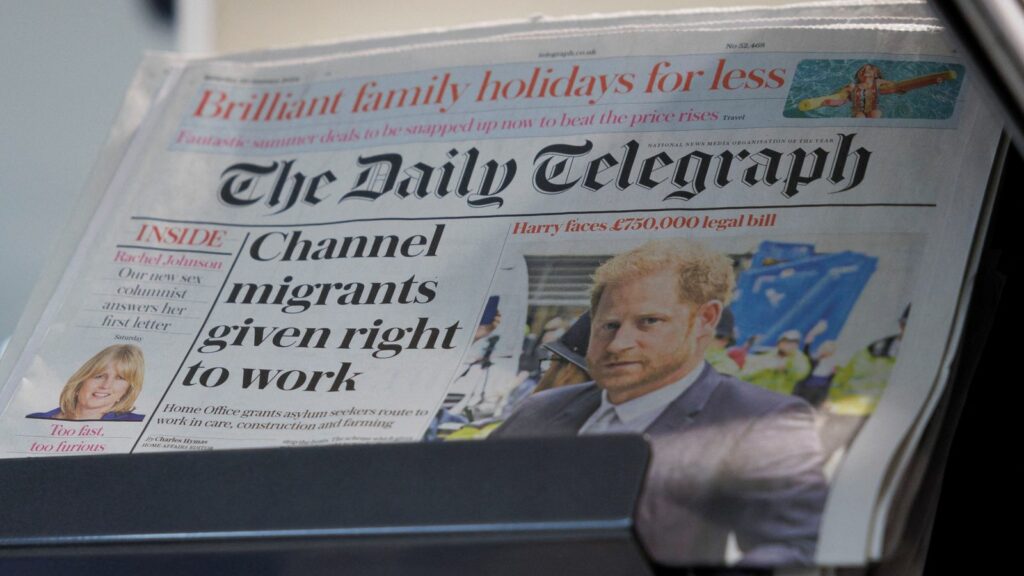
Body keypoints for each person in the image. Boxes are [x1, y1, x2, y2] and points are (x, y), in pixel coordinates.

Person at [491, 239, 826, 567]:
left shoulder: (760, 420)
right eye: (608, 325)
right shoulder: (540, 410)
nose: (618, 344)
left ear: (706, 319)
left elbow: (794, 548)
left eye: (648, 321)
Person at [26, 344, 145, 422]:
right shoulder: (35, 420)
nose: (106, 385)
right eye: (99, 376)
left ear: (127, 391)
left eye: (120, 378)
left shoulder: (137, 423)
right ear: (82, 380)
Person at [740, 330, 812, 395]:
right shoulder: (763, 354)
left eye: (794, 342)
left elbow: (801, 373)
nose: (789, 344)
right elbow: (744, 374)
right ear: (779, 342)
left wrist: (787, 367)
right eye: (786, 341)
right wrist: (767, 367)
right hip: (753, 394)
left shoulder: (799, 359)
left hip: (775, 400)